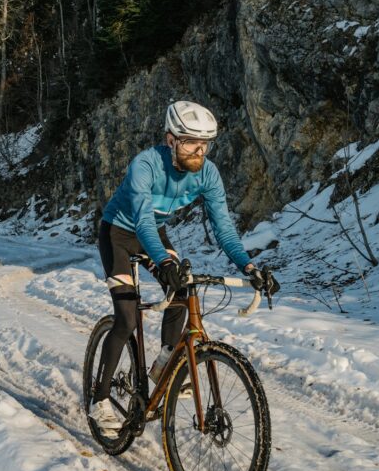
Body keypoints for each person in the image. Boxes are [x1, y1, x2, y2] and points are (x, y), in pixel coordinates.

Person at [89, 101, 265, 436]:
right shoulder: (146, 165)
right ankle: (99, 399)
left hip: (152, 234)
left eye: (205, 144)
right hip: (118, 234)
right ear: (171, 140)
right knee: (126, 319)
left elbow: (224, 227)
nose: (199, 151)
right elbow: (141, 220)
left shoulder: (208, 174)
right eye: (189, 142)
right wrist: (165, 261)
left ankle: (166, 362)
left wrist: (249, 266)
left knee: (183, 288)